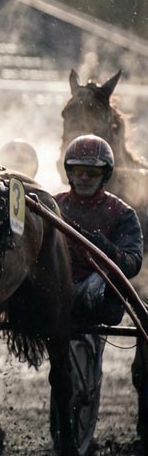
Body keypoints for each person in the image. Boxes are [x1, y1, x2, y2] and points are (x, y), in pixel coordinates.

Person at [54, 134, 143, 326]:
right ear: (69, 173)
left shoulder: (122, 213)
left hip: (95, 302)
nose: (85, 177)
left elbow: (133, 263)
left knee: (100, 284)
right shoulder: (52, 205)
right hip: (53, 289)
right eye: (79, 171)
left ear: (105, 174)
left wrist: (107, 249)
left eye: (92, 172)